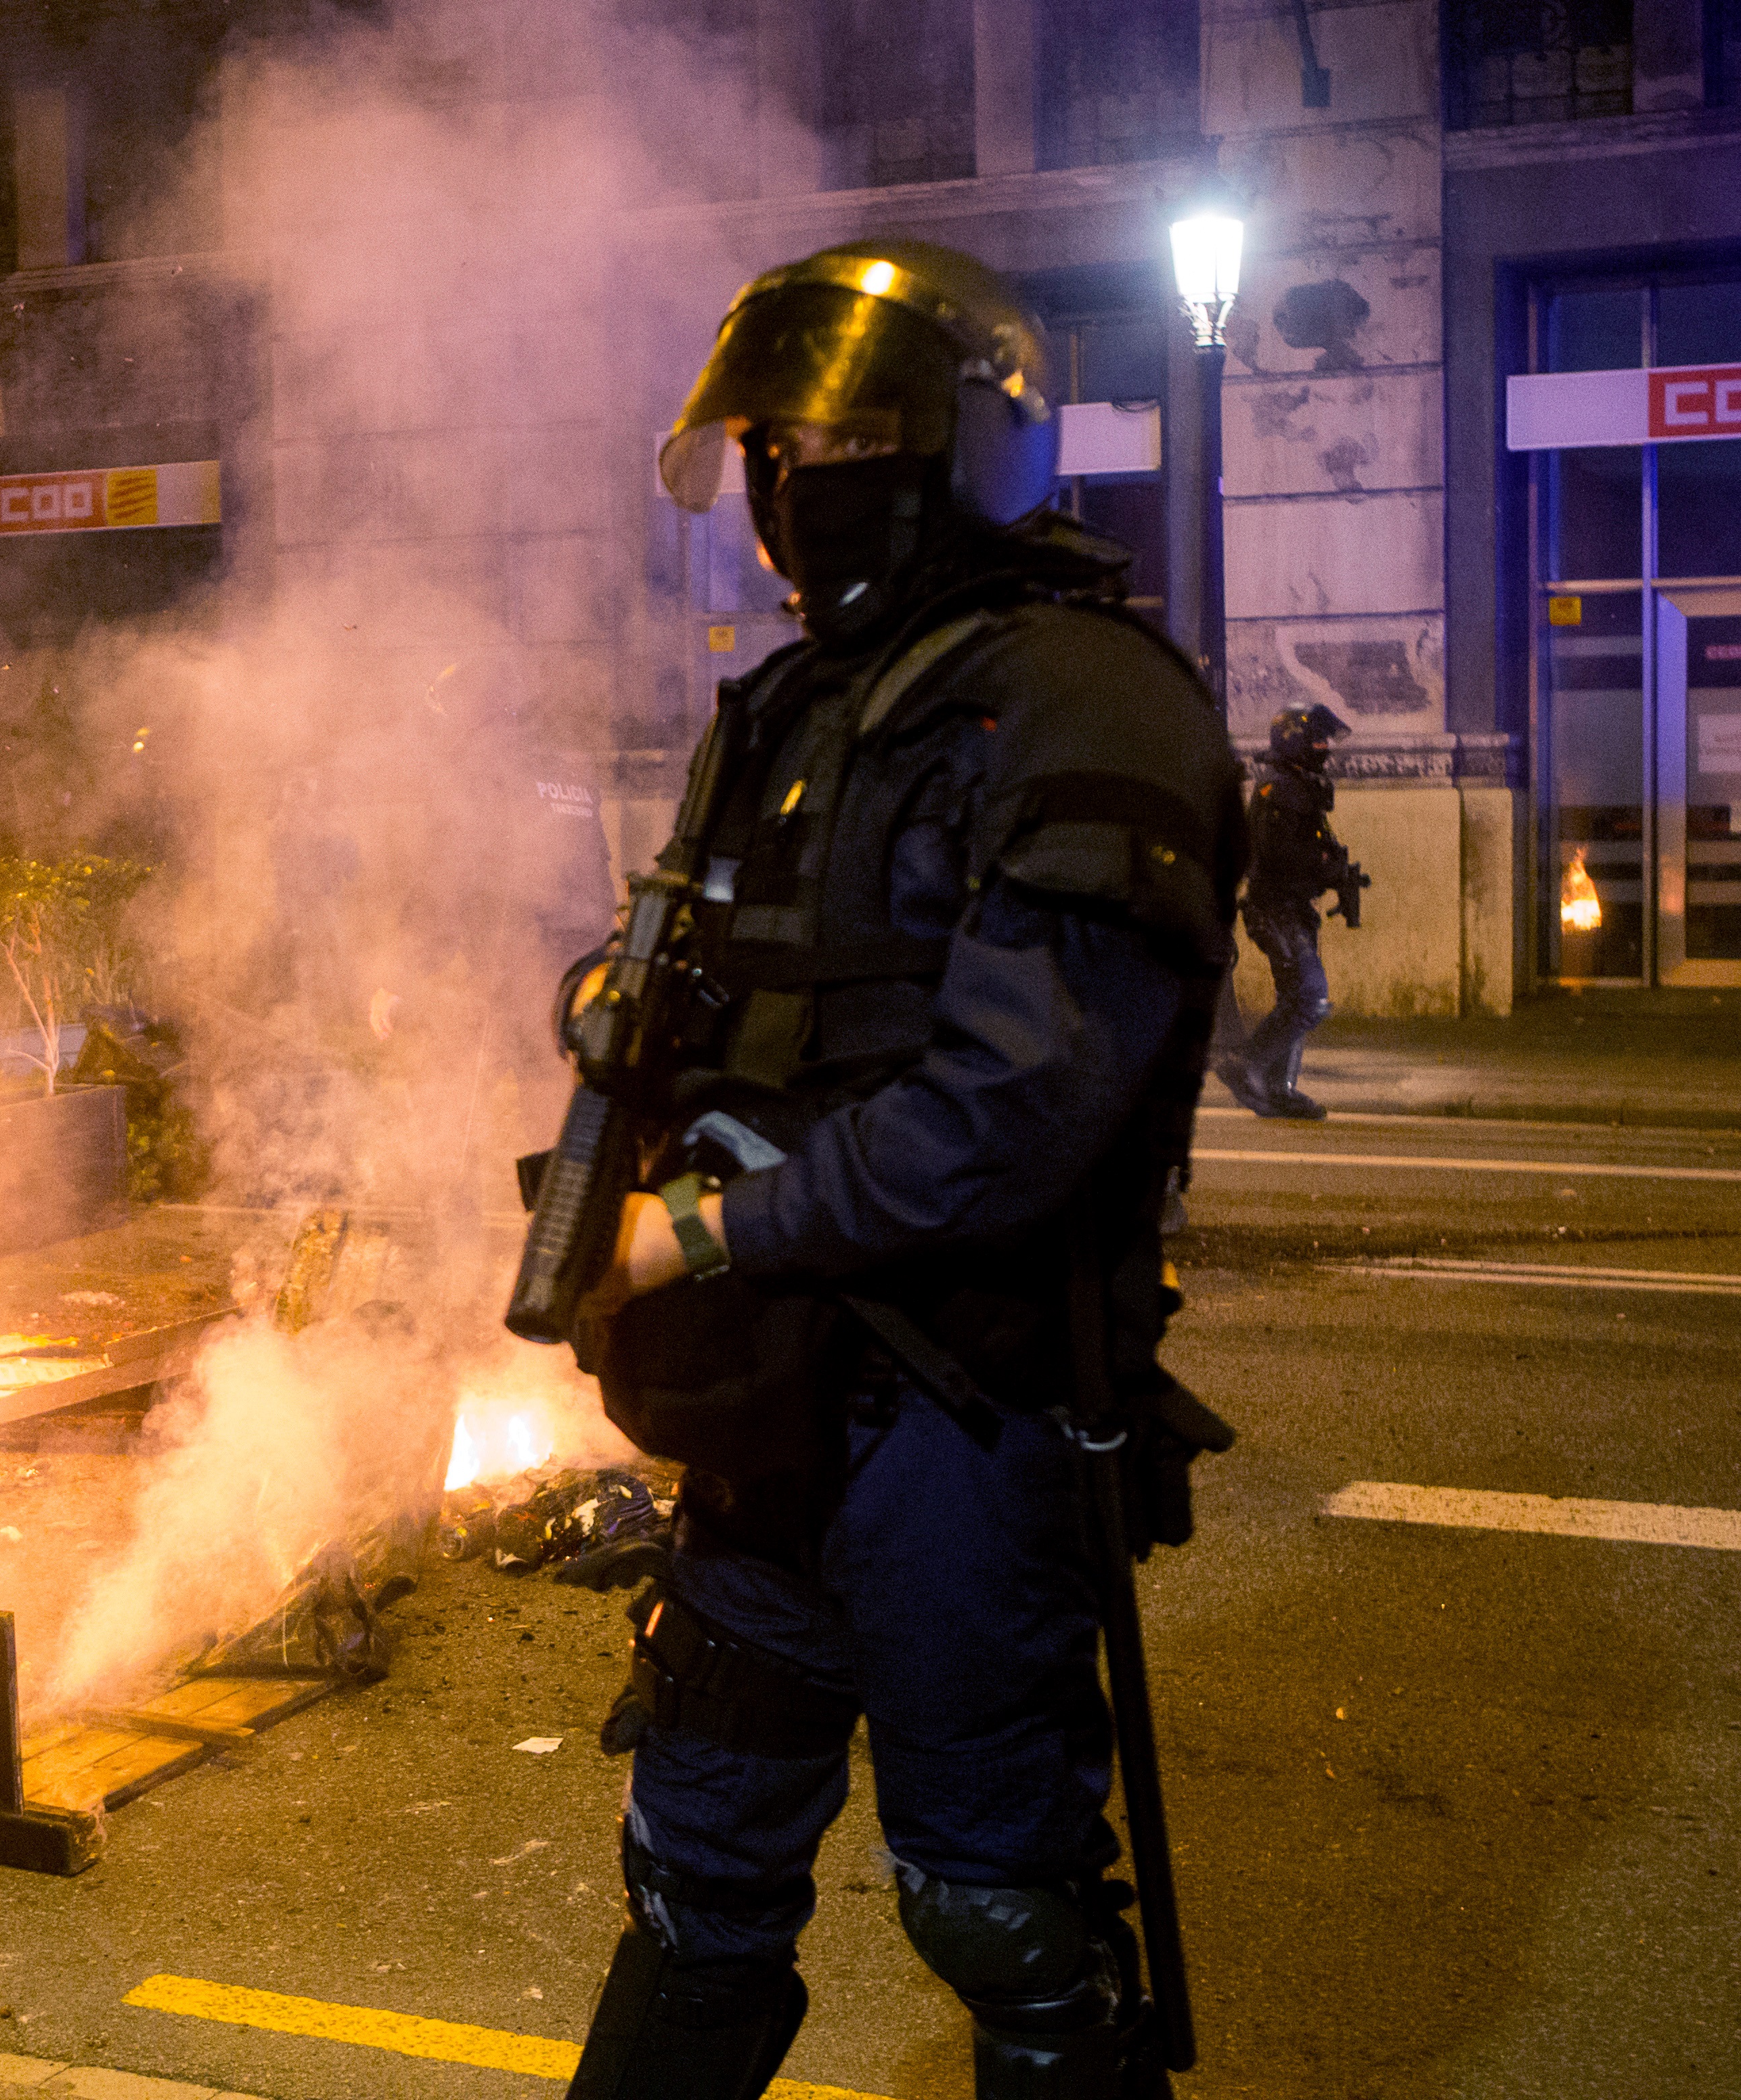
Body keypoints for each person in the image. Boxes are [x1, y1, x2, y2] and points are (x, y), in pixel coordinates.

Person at [553, 240, 1244, 2099]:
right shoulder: (786, 713)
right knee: (692, 1872)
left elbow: (1010, 1114)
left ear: (964, 448)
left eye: (839, 439)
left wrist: (686, 1223)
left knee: (994, 1908)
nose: (793, 485)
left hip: (966, 1405)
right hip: (763, 1406)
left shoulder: (1083, 701)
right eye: (770, 447)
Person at [1212, 703, 1354, 1120]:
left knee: (1296, 997)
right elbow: (1276, 854)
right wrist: (1325, 868)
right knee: (1310, 998)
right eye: (1317, 738)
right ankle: (1245, 1065)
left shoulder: (1296, 785)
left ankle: (1279, 1091)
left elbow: (1309, 845)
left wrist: (1337, 869)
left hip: (1289, 907)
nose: (1325, 747)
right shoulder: (1279, 788)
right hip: (1275, 909)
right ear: (1294, 739)